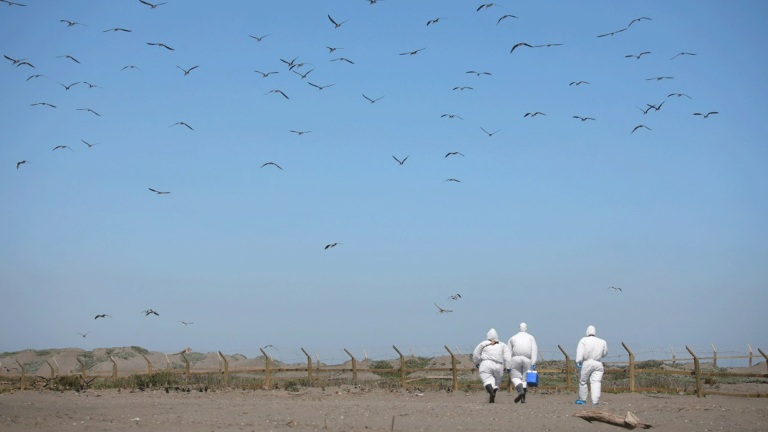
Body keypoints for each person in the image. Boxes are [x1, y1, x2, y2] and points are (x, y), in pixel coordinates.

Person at [472, 328, 512, 403]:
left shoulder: (483, 344)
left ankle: (491, 393)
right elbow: (508, 357)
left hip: (486, 363)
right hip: (499, 365)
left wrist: (476, 362)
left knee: (487, 380)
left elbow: (476, 354)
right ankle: (493, 396)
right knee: (496, 382)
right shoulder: (502, 345)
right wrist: (508, 366)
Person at [575, 325, 608, 405]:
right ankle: (595, 400)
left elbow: (580, 351)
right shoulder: (602, 341)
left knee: (583, 381)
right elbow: (604, 353)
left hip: (587, 362)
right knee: (596, 382)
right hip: (598, 363)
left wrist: (578, 361)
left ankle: (583, 399)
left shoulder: (584, 340)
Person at [507, 322, 538, 403]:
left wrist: (507, 365)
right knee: (525, 379)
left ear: (519, 328)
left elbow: (508, 352)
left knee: (515, 377)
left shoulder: (512, 338)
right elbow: (534, 350)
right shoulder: (531, 338)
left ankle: (519, 390)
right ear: (526, 328)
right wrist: (533, 363)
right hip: (527, 359)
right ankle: (523, 399)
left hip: (515, 359)